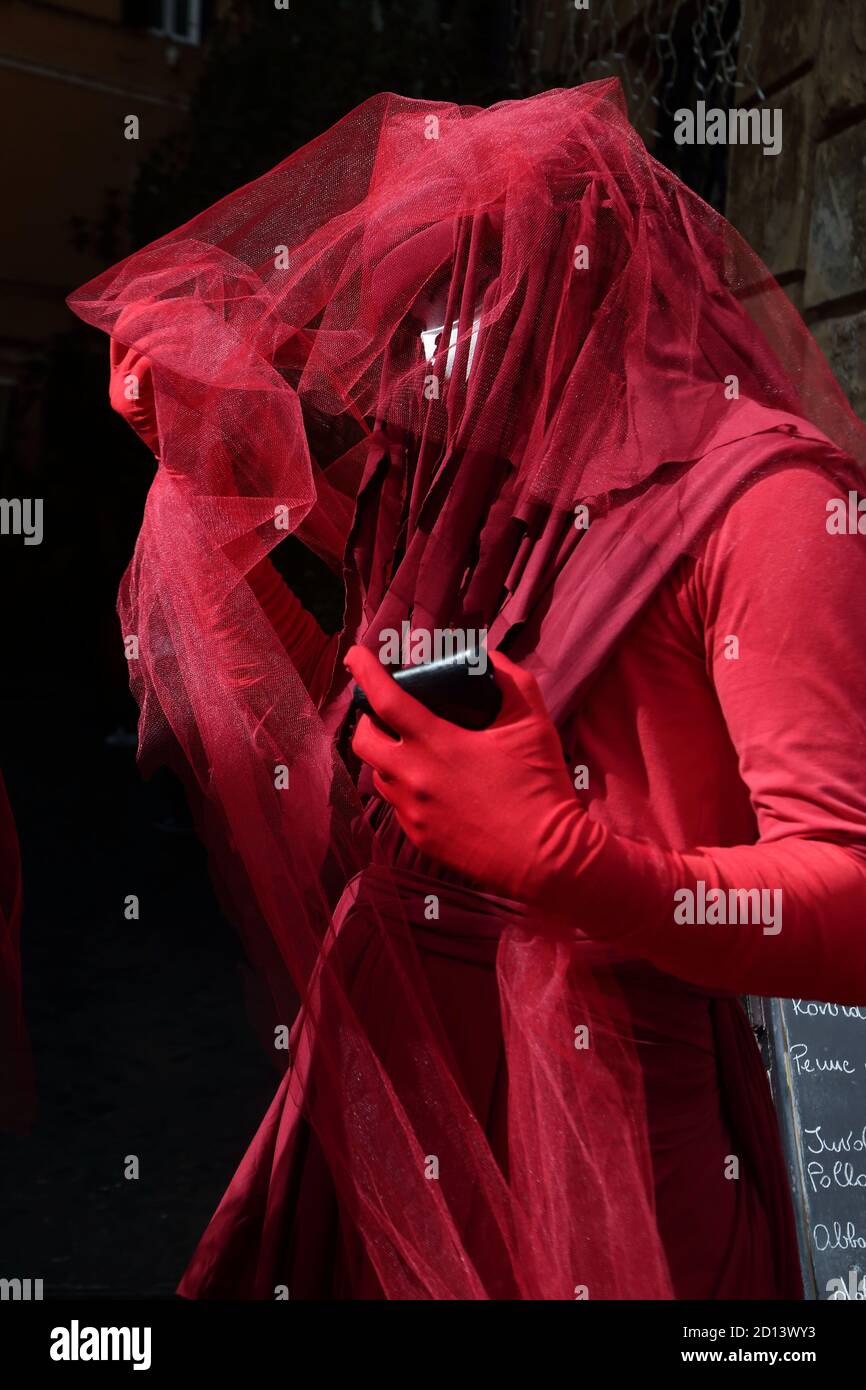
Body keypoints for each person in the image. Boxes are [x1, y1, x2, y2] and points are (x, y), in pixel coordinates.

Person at [71, 79, 866, 1300]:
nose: (422, 348)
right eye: (416, 301)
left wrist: (575, 863)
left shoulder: (766, 506)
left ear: (589, 281)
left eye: (466, 288)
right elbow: (366, 758)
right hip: (381, 1078)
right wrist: (223, 497)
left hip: (601, 1136)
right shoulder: (467, 496)